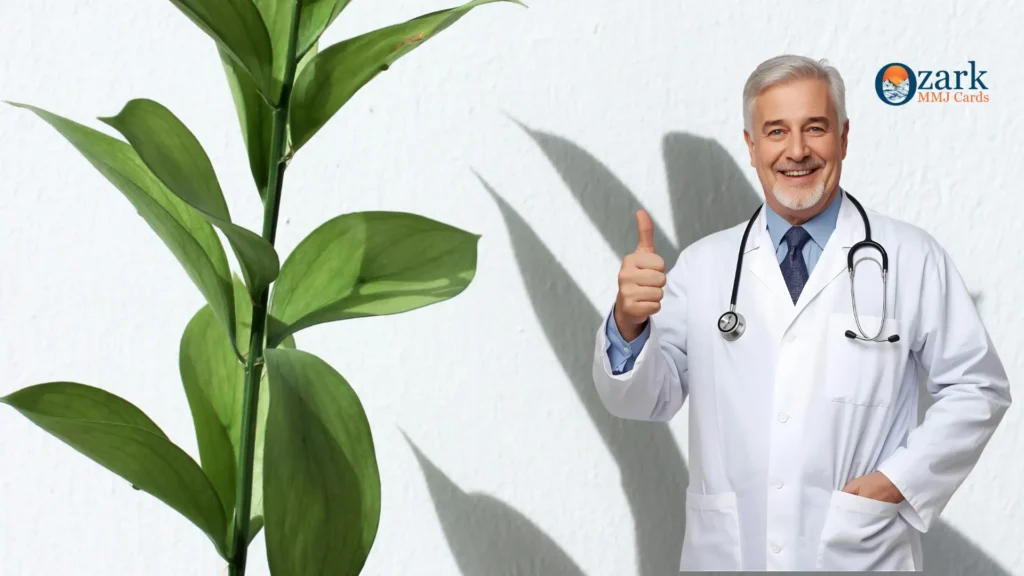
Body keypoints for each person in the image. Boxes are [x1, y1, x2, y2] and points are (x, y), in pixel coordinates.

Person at [591, 54, 1012, 572]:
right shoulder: (704, 266)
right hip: (728, 554)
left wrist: (895, 484)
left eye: (815, 128)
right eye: (775, 131)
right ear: (751, 145)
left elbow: (978, 387)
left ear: (844, 137)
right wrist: (629, 323)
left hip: (860, 554)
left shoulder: (911, 257)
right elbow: (647, 401)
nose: (796, 151)